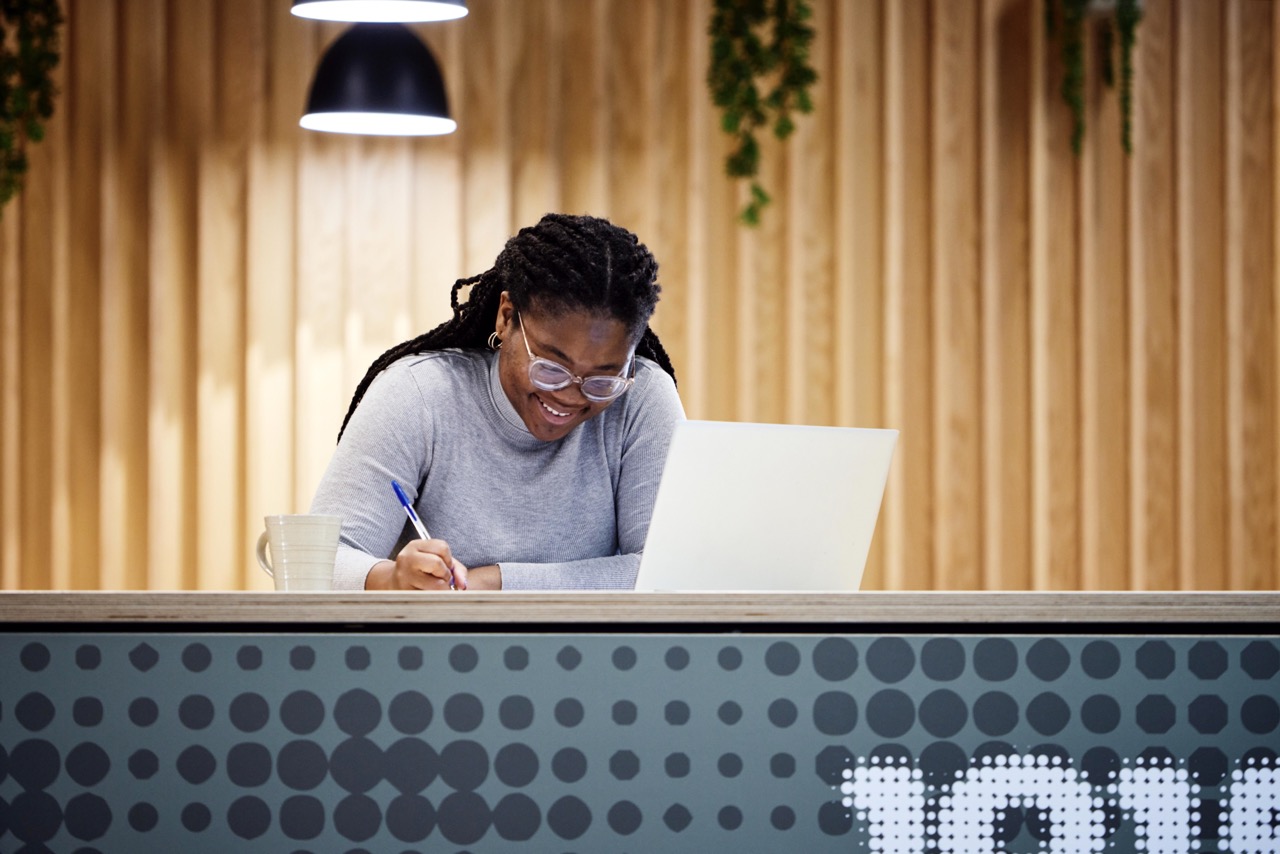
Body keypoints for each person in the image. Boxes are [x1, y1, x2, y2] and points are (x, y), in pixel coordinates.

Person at [309, 213, 685, 591]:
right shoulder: (418, 394)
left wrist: (492, 583)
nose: (571, 395)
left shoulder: (643, 399)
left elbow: (667, 573)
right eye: (551, 368)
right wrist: (389, 580)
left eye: (603, 380)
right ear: (506, 318)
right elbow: (319, 560)